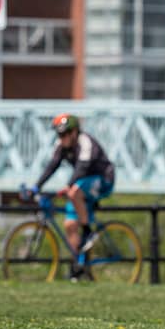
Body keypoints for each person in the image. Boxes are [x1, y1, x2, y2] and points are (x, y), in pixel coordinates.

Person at [33, 113, 116, 266]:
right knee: (70, 225)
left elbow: (82, 168)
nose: (61, 137)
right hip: (82, 185)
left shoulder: (86, 142)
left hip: (103, 180)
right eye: (59, 134)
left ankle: (87, 231)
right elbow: (52, 166)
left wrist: (69, 185)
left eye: (64, 134)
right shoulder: (60, 146)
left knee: (74, 191)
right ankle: (78, 265)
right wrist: (37, 186)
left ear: (74, 132)